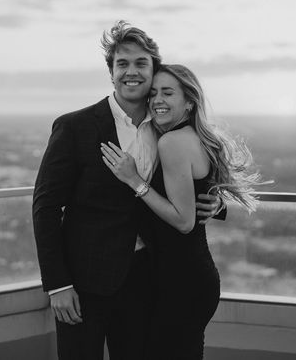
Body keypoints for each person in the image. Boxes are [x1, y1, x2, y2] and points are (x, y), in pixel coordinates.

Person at [32, 21, 224, 360]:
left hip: (146, 283)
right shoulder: (75, 126)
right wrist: (58, 285)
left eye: (140, 64)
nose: (131, 72)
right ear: (111, 71)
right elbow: (45, 209)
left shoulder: (165, 130)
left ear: (153, 70)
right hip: (85, 285)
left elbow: (185, 181)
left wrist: (215, 202)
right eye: (122, 63)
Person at [101, 64, 260, 359]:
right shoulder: (194, 137)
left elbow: (184, 221)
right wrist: (216, 204)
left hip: (181, 282)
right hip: (193, 277)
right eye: (154, 93)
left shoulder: (172, 142)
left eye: (168, 92)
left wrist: (134, 180)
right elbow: (198, 197)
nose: (157, 99)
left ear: (189, 101)